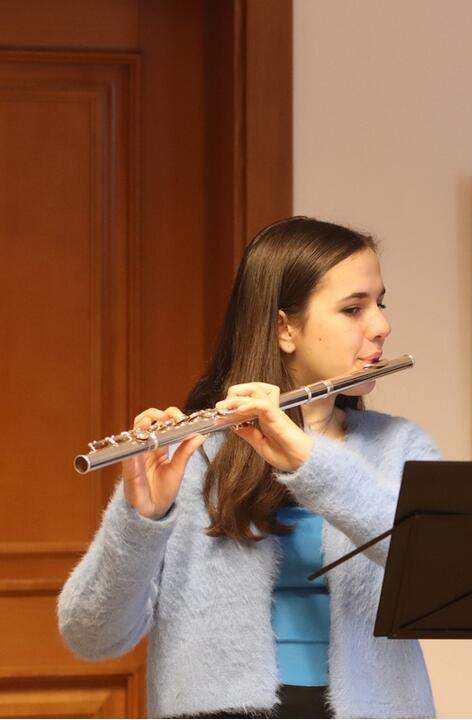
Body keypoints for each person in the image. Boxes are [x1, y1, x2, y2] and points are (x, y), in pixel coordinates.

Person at [59, 217, 438, 719]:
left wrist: (311, 461)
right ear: (285, 328)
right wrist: (140, 522)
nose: (381, 326)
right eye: (354, 308)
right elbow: (92, 635)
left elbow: (438, 575)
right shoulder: (196, 454)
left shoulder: (400, 448)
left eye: (380, 303)